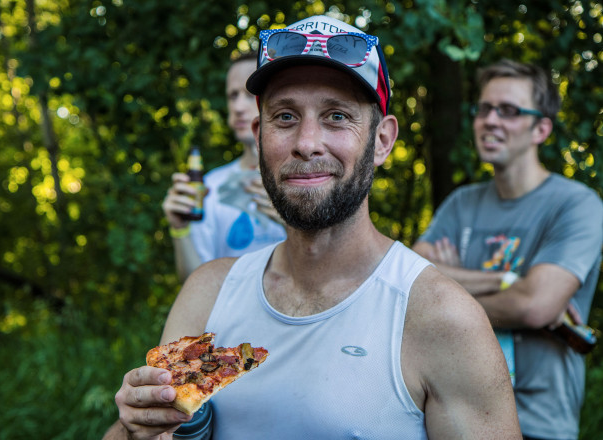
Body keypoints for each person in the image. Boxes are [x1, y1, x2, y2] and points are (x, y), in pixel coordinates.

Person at [105, 15, 521, 439]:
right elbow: (154, 432)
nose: (306, 143)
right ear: (259, 134)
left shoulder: (440, 317)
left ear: (382, 140)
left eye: (337, 116)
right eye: (285, 117)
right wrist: (133, 426)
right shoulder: (208, 293)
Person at [412, 59, 603, 440]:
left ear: (541, 129)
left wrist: (447, 292)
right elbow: (413, 277)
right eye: (484, 109)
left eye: (510, 111)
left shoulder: (577, 205)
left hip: (538, 421)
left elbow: (535, 306)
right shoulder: (460, 204)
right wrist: (506, 281)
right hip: (455, 413)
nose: (491, 120)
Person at [162, 53, 286, 281]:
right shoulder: (209, 186)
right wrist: (179, 229)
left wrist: (293, 222)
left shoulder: (304, 178)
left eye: (250, 95)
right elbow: (195, 281)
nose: (238, 106)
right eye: (232, 95)